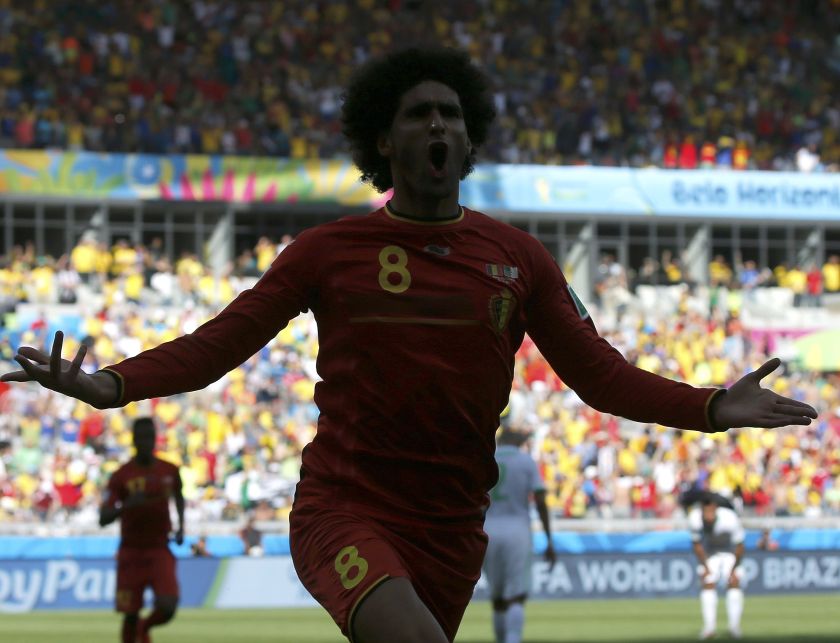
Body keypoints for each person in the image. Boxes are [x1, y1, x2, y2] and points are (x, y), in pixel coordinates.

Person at [1, 47, 818, 643]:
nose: (437, 124)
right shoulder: (327, 250)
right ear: (384, 144)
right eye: (418, 113)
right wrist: (109, 384)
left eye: (451, 115)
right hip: (345, 510)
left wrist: (713, 406)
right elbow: (220, 344)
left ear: (469, 145)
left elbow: (602, 380)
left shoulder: (519, 258)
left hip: (452, 527)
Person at [99, 417, 184, 643]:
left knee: (168, 605)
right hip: (131, 551)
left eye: (150, 437)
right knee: (130, 614)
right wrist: (127, 506)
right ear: (134, 440)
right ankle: (138, 630)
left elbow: (179, 495)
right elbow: (103, 518)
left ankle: (144, 629)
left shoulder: (170, 470)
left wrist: (181, 527)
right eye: (142, 437)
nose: (146, 442)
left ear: (155, 439)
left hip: (159, 548)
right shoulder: (121, 476)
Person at [482, 429, 555, 643]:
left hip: (489, 530)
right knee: (515, 597)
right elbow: (540, 499)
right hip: (517, 529)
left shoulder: (488, 459)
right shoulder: (525, 461)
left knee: (497, 599)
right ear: (517, 441)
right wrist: (549, 539)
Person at [689, 494, 746, 640]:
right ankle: (709, 628)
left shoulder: (730, 519)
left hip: (730, 550)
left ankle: (734, 628)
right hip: (710, 552)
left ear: (716, 509)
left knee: (734, 583)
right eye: (705, 512)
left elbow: (740, 546)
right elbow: (697, 545)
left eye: (711, 511)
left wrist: (733, 569)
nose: (708, 516)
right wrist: (705, 566)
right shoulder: (695, 519)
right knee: (708, 582)